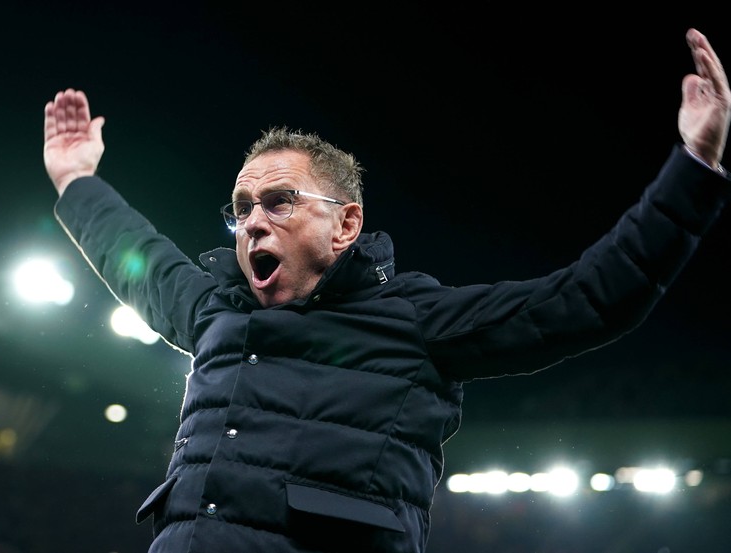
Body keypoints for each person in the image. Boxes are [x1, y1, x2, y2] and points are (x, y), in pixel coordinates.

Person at [42, 28, 730, 553]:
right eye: (241, 205)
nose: (252, 219)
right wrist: (77, 179)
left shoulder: (413, 321)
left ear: (346, 224)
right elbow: (133, 255)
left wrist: (692, 166)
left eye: (279, 200)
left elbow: (586, 298)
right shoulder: (215, 308)